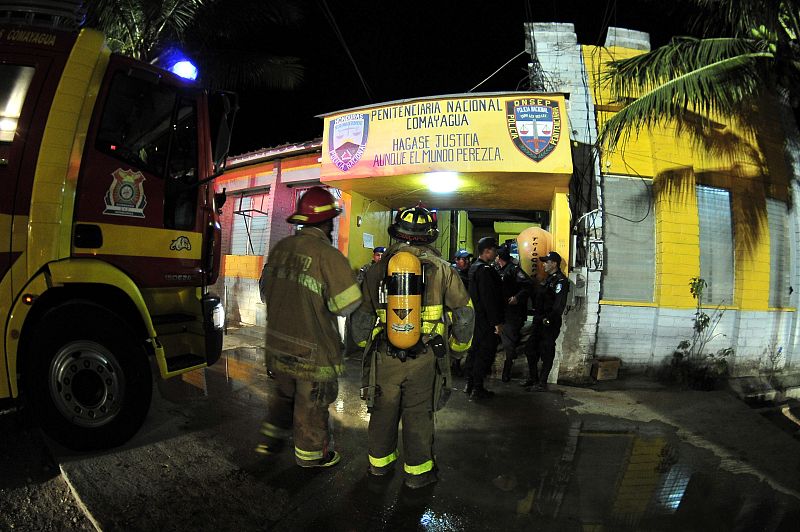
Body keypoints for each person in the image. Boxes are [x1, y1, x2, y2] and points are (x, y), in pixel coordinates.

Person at [352, 204, 474, 489]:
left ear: (397, 232)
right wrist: (458, 348)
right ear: (429, 236)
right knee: (419, 414)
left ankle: (379, 467)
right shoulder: (444, 270)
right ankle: (418, 476)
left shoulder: (376, 270)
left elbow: (361, 317)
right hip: (425, 357)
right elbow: (465, 314)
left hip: (385, 356)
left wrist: (365, 346)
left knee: (382, 410)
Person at [257, 186, 362, 467]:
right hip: (312, 352)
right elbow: (347, 306)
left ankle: (270, 442)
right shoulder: (328, 256)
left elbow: (265, 290)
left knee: (282, 398)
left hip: (277, 345)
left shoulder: (280, 249)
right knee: (310, 406)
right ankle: (312, 457)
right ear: (327, 222)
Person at [521, 251, 569, 391]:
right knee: (530, 349)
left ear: (554, 263)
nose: (544, 264)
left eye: (546, 262)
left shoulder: (561, 281)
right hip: (539, 320)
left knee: (546, 352)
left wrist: (548, 319)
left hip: (549, 322)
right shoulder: (548, 279)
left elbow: (559, 305)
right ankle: (533, 378)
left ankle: (542, 383)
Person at [463, 236, 504, 399]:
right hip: (486, 321)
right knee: (484, 354)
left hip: (477, 319)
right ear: (487, 251)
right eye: (494, 250)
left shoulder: (475, 267)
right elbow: (489, 299)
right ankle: (477, 389)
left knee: (474, 352)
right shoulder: (485, 270)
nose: (496, 253)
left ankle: (470, 383)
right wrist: (496, 323)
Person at [495, 244, 533, 382]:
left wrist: (517, 297)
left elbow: (528, 285)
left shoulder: (514, 270)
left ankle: (507, 372)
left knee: (509, 344)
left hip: (512, 314)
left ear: (499, 257)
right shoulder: (496, 270)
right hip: (500, 312)